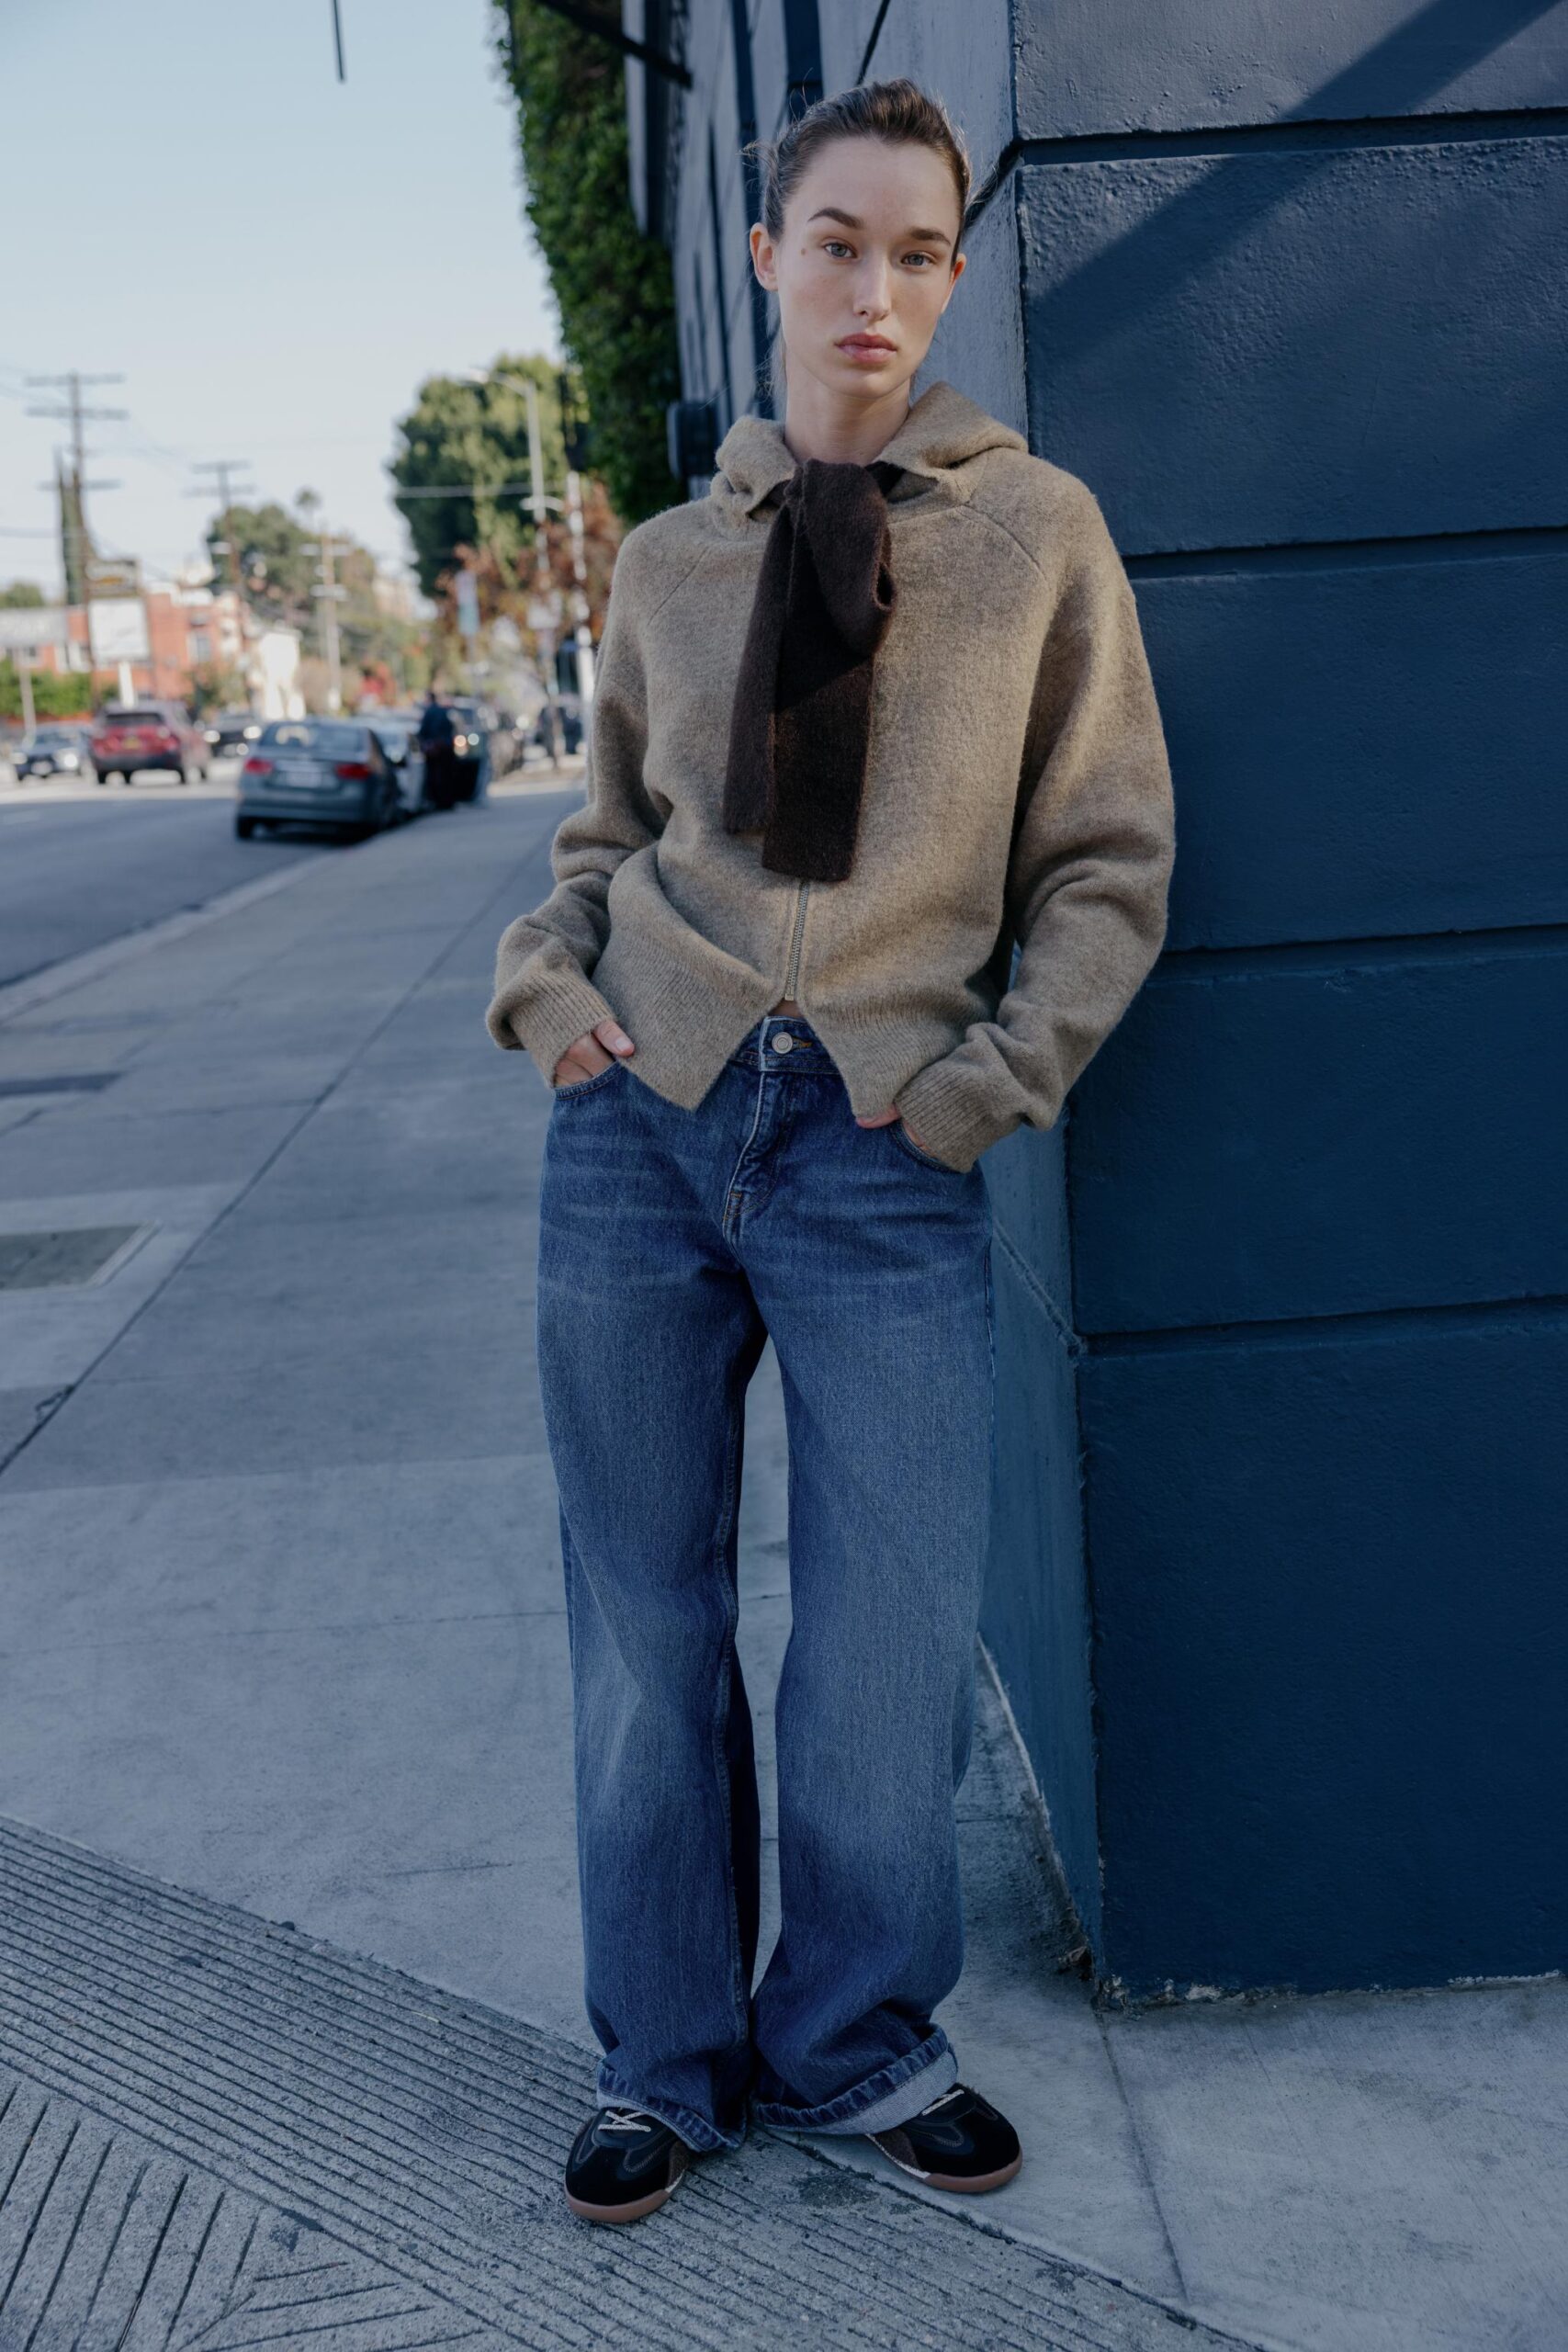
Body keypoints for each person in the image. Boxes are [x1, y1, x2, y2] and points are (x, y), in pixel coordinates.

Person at [485, 77, 1176, 2226]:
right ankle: (659, 2056)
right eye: (837, 241)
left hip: (881, 1153)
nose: (874, 286)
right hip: (641, 1126)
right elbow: (599, 840)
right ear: (767, 257)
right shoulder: (668, 559)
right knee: (642, 1625)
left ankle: (853, 2034)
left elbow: (1105, 860)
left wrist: (978, 1083)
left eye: (916, 249)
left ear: (951, 274)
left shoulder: (1036, 532)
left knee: (885, 1642)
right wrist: (546, 992)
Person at [416, 686, 458, 811]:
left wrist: (427, 743)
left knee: (434, 775)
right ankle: (448, 800)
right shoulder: (443, 712)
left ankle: (437, 801)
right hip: (446, 747)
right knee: (447, 775)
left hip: (435, 749)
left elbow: (423, 731)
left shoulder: (429, 713)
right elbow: (451, 729)